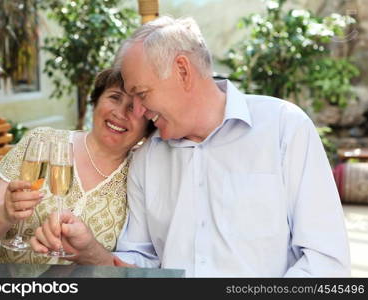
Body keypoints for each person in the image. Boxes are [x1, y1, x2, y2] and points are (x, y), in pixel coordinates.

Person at [31, 16, 351, 277]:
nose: (139, 112)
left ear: (183, 71)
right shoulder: (147, 158)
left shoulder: (284, 127)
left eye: (141, 93)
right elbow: (143, 262)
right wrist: (93, 254)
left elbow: (325, 263)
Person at [0, 68, 154, 264]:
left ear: (148, 126)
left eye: (133, 107)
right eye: (114, 97)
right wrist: (4, 213)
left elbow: (139, 262)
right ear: (95, 102)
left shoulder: (143, 175)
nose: (120, 113)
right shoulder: (41, 142)